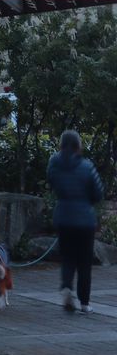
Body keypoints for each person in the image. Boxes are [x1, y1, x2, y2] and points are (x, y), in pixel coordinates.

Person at [47, 129, 104, 313]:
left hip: (63, 217)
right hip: (85, 220)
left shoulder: (54, 164)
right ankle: (85, 302)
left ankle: (66, 288)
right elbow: (98, 192)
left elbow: (52, 184)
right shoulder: (87, 167)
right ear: (78, 145)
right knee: (84, 262)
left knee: (68, 258)